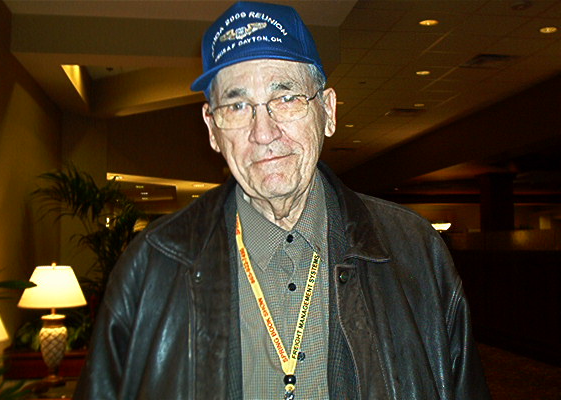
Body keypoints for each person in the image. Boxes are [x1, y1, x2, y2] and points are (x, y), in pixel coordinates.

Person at [74, 2, 491, 399]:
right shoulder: (151, 265)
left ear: (327, 111)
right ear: (213, 129)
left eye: (287, 98)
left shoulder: (414, 251)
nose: (263, 133)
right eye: (237, 105)